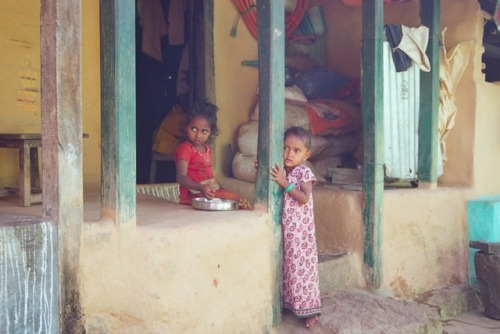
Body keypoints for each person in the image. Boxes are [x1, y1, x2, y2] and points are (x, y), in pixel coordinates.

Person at [270, 126, 321, 328]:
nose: (288, 154)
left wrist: (285, 183)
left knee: (302, 269)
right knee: (288, 267)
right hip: (287, 229)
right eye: (285, 148)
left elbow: (303, 198)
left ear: (306, 155)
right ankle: (290, 303)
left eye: (296, 150)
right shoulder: (284, 170)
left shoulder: (303, 172)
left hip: (301, 232)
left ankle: (310, 309)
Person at [174, 99, 252, 209]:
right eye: (194, 129)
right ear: (186, 127)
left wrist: (220, 188)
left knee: (240, 201)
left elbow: (209, 176)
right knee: (239, 203)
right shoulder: (186, 149)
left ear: (211, 132)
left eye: (204, 131)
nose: (198, 135)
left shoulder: (207, 149)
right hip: (194, 194)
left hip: (209, 192)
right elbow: (181, 177)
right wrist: (201, 188)